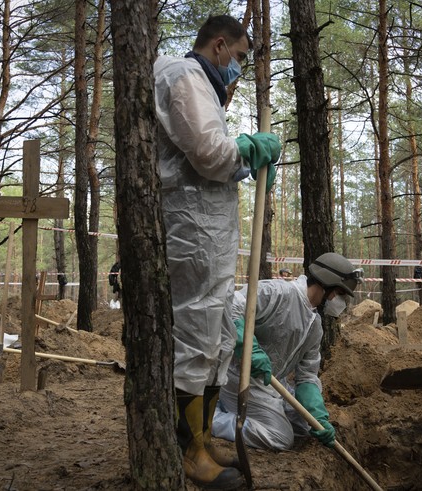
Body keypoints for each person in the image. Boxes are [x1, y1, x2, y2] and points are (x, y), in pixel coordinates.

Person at [154, 14, 281, 490]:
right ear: (221, 45)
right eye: (241, 57)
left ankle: (202, 440)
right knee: (196, 334)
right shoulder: (185, 75)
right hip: (191, 230)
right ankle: (189, 453)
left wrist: (242, 148)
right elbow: (209, 152)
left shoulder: (202, 85)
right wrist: (247, 148)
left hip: (207, 230)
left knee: (215, 337)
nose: (240, 68)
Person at [212, 252, 362, 451]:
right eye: (340, 294)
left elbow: (307, 376)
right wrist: (249, 348)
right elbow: (231, 307)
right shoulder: (278, 292)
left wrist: (318, 416)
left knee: (306, 428)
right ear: (328, 286)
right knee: (280, 437)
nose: (339, 301)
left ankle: (231, 408)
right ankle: (211, 418)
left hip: (272, 383)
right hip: (239, 378)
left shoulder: (314, 325)